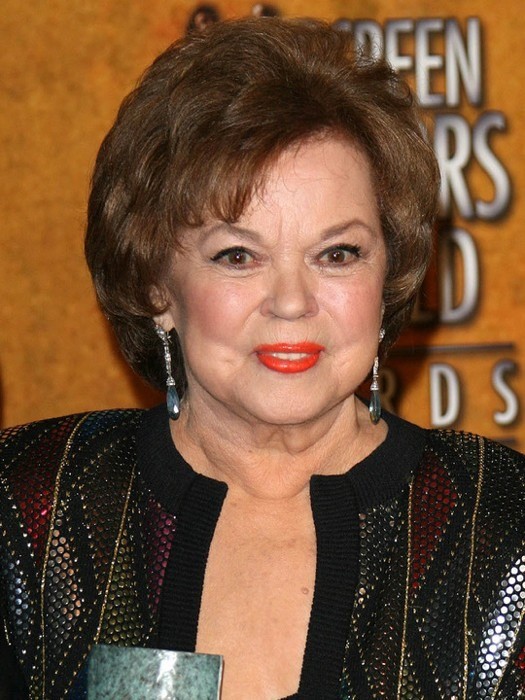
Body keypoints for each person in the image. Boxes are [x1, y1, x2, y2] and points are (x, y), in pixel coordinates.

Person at [1, 16, 524, 700]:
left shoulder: (502, 522)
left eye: (337, 253)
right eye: (237, 256)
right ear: (156, 285)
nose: (291, 302)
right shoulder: (32, 505)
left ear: (388, 275)